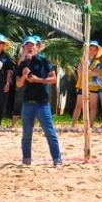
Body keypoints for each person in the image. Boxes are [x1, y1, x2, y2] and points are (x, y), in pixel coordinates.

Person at [17, 36, 62, 166]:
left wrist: (38, 80)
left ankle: (57, 159)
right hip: (27, 102)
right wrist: (24, 76)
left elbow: (53, 79)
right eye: (27, 45)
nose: (30, 47)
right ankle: (26, 159)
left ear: (37, 47)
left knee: (49, 132)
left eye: (32, 45)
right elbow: (19, 85)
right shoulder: (22, 64)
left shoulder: (44, 61)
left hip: (42, 102)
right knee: (26, 134)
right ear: (24, 48)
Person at [70, 41, 102, 129]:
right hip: (82, 85)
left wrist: (86, 71)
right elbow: (80, 73)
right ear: (87, 50)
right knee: (78, 105)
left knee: (93, 106)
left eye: (94, 50)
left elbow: (97, 74)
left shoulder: (97, 62)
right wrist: (90, 72)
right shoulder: (82, 60)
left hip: (93, 87)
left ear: (96, 52)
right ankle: (73, 125)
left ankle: (90, 126)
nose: (92, 51)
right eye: (90, 49)